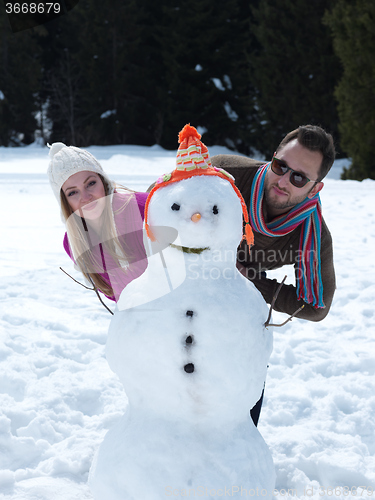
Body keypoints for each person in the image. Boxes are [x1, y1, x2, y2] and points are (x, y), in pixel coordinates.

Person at [211, 124, 336, 425]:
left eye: (299, 177)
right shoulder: (223, 175)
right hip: (186, 294)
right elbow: (157, 206)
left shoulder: (310, 232)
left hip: (240, 311)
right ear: (273, 157)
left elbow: (315, 305)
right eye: (281, 166)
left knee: (238, 413)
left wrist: (253, 282)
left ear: (314, 188)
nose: (283, 180)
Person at [47, 142, 148, 304]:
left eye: (91, 183)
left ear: (103, 181)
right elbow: (117, 296)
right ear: (65, 202)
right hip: (141, 322)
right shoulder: (74, 242)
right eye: (73, 192)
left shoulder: (142, 207)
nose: (86, 197)